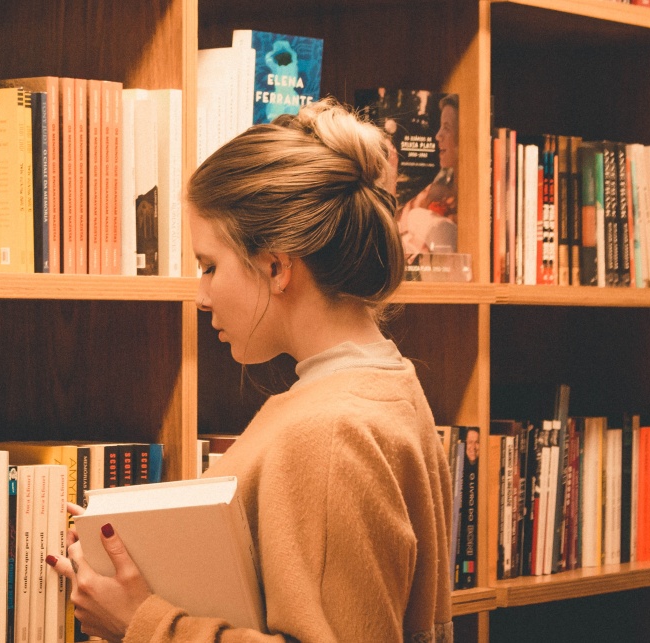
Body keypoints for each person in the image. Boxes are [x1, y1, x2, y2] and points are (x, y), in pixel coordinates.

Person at [47, 98, 453, 642]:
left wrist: (141, 623)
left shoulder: (331, 432)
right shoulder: (383, 383)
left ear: (277, 266)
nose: (200, 295)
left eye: (210, 266)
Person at [398, 94, 458, 254]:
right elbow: (406, 213)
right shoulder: (444, 181)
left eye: (447, 128)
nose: (438, 136)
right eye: (440, 127)